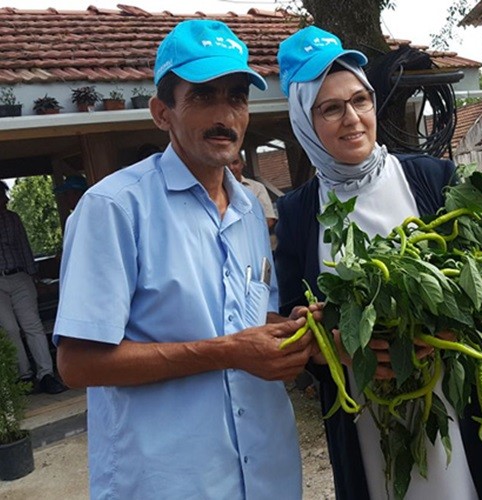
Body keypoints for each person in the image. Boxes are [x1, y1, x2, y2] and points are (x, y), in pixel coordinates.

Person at [274, 26, 482, 499]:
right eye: (331, 108)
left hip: (458, 396)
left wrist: (451, 328)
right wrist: (332, 345)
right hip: (368, 415)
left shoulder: (430, 178)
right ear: (305, 122)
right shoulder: (299, 214)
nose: (353, 119)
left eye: (360, 101)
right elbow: (296, 317)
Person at [53, 20, 316, 499]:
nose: (225, 114)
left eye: (236, 96)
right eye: (202, 96)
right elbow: (77, 362)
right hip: (171, 481)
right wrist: (229, 351)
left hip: (265, 473)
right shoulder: (115, 208)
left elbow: (250, 319)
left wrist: (294, 328)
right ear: (161, 112)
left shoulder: (249, 212)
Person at [0, 181, 67, 394]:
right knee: (9, 329)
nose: (6, 199)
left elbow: (24, 247)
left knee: (32, 325)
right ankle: (24, 376)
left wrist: (34, 278)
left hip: (20, 275)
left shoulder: (13, 219)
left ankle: (46, 374)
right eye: (3, 195)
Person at [228, 150, 278, 229]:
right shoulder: (214, 191)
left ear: (242, 164)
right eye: (226, 164)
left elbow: (269, 219)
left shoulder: (257, 188)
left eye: (235, 163)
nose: (231, 168)